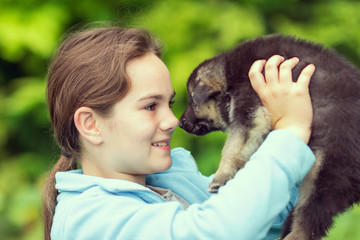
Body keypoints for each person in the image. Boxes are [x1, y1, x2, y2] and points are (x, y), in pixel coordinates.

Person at [42, 24, 316, 240]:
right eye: (151, 106)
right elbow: (218, 232)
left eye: (169, 103)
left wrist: (311, 128)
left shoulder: (177, 182)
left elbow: (265, 216)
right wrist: (290, 134)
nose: (172, 120)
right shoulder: (89, 221)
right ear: (90, 124)